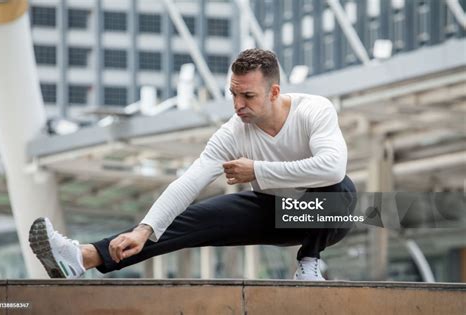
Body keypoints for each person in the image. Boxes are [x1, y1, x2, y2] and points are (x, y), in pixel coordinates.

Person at [29, 48, 356, 281]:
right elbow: (189, 182)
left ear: (273, 92)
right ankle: (81, 258)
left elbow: (332, 168)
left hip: (328, 217)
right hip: (271, 212)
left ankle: (309, 264)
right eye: (233, 94)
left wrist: (256, 170)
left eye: (248, 97)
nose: (238, 105)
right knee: (182, 220)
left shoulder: (313, 110)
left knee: (341, 188)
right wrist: (144, 229)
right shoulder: (232, 132)